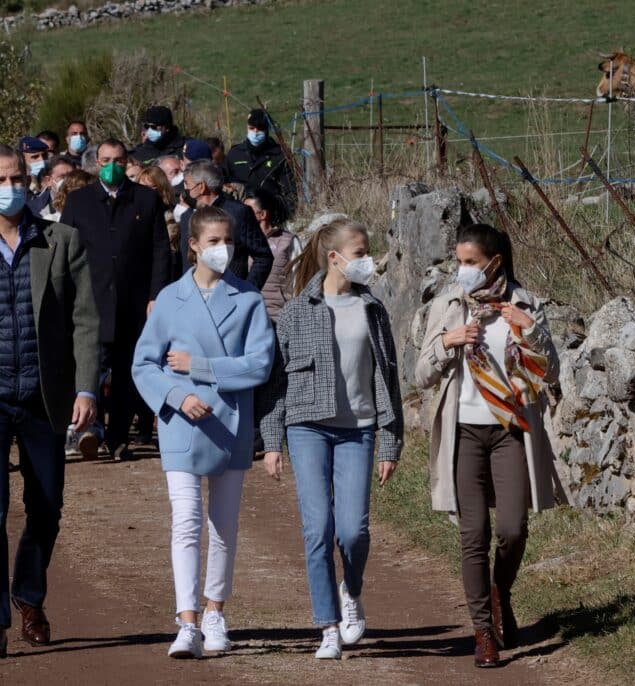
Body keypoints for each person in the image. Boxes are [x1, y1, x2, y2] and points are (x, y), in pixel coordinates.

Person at [414, 223, 561, 669]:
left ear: (494, 263)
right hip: (464, 432)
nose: (462, 270)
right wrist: (448, 342)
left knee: (513, 528)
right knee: (473, 534)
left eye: (470, 262)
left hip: (510, 430)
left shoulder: (525, 304)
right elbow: (420, 374)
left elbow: (551, 372)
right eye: (458, 261)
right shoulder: (449, 305)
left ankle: (500, 593)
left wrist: (530, 331)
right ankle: (483, 632)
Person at [132, 206, 274, 659]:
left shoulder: (249, 299)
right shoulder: (169, 299)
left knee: (224, 524)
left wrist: (203, 367)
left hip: (231, 423)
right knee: (187, 522)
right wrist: (176, 396)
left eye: (228, 240)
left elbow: (260, 364)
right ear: (193, 245)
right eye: (214, 241)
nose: (223, 249)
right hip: (181, 424)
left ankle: (216, 611)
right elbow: (144, 364)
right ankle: (187, 620)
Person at [260, 218, 402, 660]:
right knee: (317, 528)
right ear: (334, 257)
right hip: (307, 427)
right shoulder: (297, 312)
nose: (367, 260)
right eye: (360, 253)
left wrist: (390, 442)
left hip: (358, 429)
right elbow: (275, 383)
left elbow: (388, 379)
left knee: (353, 530)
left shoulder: (372, 309)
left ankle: (351, 589)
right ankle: (327, 626)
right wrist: (272, 441)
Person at [0, 144, 100, 656]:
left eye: (18, 178)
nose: (11, 187)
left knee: (46, 506)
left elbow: (85, 319)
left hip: (45, 395)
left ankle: (29, 595)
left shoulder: (60, 240)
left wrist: (86, 386)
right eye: (2, 179)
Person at [61, 138, 171, 460]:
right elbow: (64, 249)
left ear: (128, 162)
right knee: (89, 367)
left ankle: (118, 437)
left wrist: (156, 295)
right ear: (97, 163)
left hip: (132, 301)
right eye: (106, 160)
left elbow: (160, 250)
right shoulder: (79, 201)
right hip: (89, 301)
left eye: (119, 160)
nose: (112, 166)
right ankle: (87, 430)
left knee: (126, 371)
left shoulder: (146, 199)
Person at [179, 161, 272, 288]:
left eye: (188, 185)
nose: (186, 191)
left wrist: (248, 289)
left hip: (231, 290)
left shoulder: (238, 213)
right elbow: (185, 261)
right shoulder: (187, 217)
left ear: (201, 187)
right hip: (193, 293)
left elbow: (263, 256)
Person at [225, 108, 296, 220]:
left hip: (269, 217)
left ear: (267, 129)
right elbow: (225, 184)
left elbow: (290, 192)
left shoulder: (280, 155)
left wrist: (282, 216)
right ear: (247, 127)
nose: (255, 132)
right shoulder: (235, 154)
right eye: (252, 128)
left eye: (260, 129)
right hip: (239, 217)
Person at [244, 189, 301, 321]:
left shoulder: (288, 241)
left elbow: (299, 279)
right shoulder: (241, 241)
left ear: (262, 214)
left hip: (279, 317)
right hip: (249, 316)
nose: (242, 214)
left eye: (247, 211)